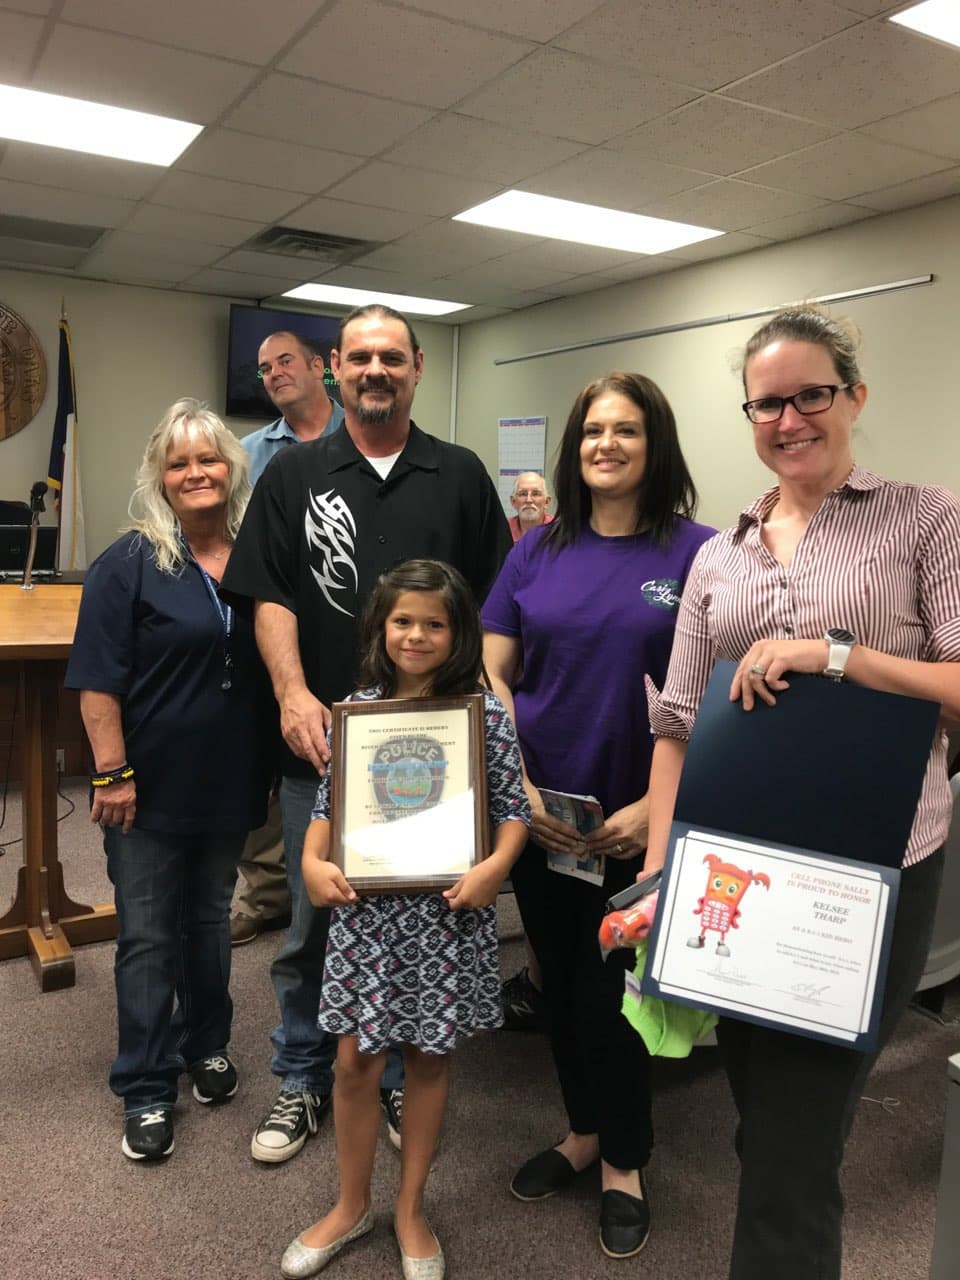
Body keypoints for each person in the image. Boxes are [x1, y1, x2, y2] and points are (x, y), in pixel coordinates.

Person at [644, 304, 960, 1280]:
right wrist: (657, 874)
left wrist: (841, 656)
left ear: (853, 395)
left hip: (869, 871)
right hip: (734, 873)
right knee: (764, 1111)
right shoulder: (717, 554)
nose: (790, 418)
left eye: (811, 394)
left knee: (790, 1141)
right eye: (767, 403)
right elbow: (677, 724)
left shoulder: (925, 517)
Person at [222, 304, 511, 1166]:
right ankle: (305, 1075)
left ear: (417, 367)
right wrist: (292, 693)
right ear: (334, 370)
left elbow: (496, 610)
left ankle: (387, 1081)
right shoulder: (292, 474)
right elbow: (270, 594)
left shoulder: (458, 474)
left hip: (435, 756)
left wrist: (491, 722)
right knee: (319, 920)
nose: (375, 371)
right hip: (324, 747)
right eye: (360, 358)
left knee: (418, 915)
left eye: (392, 357)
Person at [482, 371, 714, 1257]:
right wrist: (522, 790)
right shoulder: (536, 550)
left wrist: (655, 805)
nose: (605, 445)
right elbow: (494, 672)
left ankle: (625, 1159)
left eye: (625, 430)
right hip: (543, 820)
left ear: (656, 445)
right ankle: (582, 1132)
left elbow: (720, 700)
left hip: (640, 823)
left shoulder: (699, 553)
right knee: (561, 994)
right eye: (590, 432)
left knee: (615, 998)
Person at [280, 559, 529, 1280]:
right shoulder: (356, 709)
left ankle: (410, 1208)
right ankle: (350, 1204)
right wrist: (310, 860)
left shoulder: (481, 714)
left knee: (428, 1057)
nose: (416, 635)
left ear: (457, 633)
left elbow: (511, 810)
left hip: (447, 916)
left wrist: (496, 867)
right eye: (402, 621)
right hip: (368, 918)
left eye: (434, 623)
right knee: (355, 1060)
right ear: (380, 627)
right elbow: (329, 806)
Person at [64, 399, 270, 1161]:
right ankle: (147, 1086)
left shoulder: (259, 553)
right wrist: (112, 774)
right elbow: (96, 684)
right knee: (149, 936)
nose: (196, 473)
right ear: (159, 474)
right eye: (179, 463)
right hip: (144, 787)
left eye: (209, 459)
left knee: (210, 923)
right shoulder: (130, 561)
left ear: (231, 466)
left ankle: (205, 1046)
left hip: (229, 781)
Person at [231, 331, 345, 947]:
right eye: (263, 369)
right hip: (271, 625)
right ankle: (266, 892)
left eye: (284, 362)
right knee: (270, 765)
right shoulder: (249, 454)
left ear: (319, 368)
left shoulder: (360, 436)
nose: (273, 374)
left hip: (342, 627)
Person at [507, 470, 553, 542]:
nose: (529, 500)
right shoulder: (503, 529)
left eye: (536, 494)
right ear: (513, 501)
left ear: (546, 502)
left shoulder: (560, 530)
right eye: (523, 494)